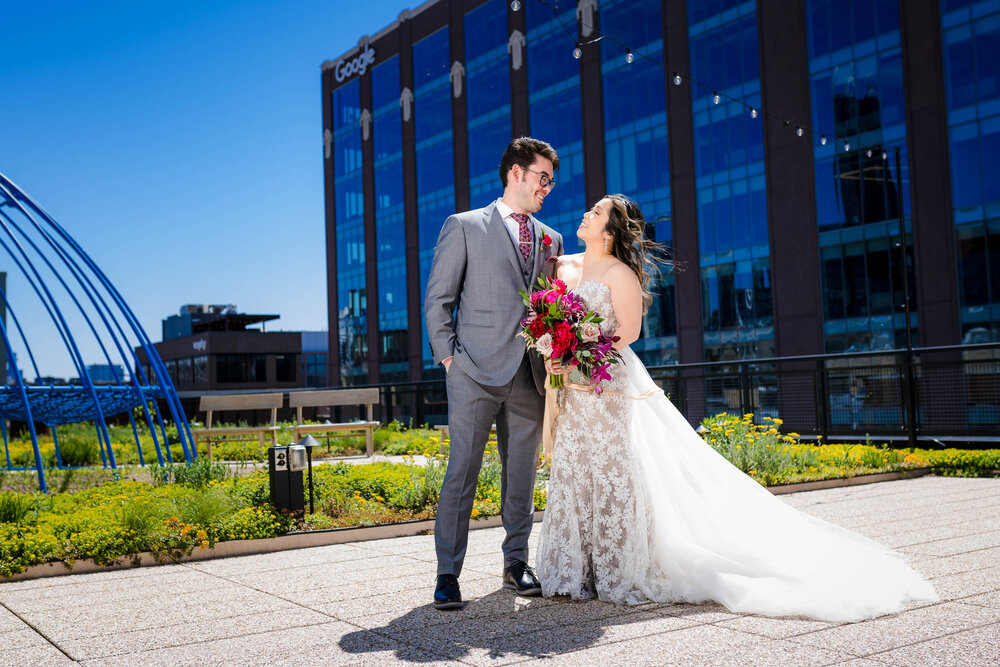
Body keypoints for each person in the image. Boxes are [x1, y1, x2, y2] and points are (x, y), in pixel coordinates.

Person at [535, 194, 937, 621]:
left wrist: (578, 348)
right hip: (569, 389)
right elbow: (546, 315)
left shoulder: (620, 273)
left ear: (611, 230)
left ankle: (616, 569)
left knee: (611, 469)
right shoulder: (563, 265)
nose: (585, 214)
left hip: (606, 384)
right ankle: (572, 571)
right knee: (574, 467)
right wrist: (553, 349)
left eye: (595, 212)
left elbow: (629, 332)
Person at [424, 137, 564, 610]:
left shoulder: (552, 239)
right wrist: (449, 359)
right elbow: (439, 300)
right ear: (516, 174)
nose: (548, 187)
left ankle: (516, 562)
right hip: (473, 372)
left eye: (551, 180)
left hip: (529, 374)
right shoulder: (463, 227)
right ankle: (448, 573)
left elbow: (551, 304)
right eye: (542, 177)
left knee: (520, 475)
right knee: (460, 473)